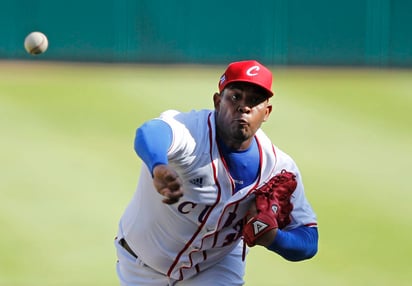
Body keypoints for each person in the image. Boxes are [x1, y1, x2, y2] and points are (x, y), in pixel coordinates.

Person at [114, 60, 319, 285]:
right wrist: (159, 165)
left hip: (215, 268)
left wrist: (274, 238)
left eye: (254, 100)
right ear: (217, 101)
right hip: (141, 266)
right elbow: (150, 132)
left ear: (267, 112)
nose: (244, 107)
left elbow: (309, 240)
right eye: (235, 96)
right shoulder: (192, 131)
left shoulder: (279, 169)